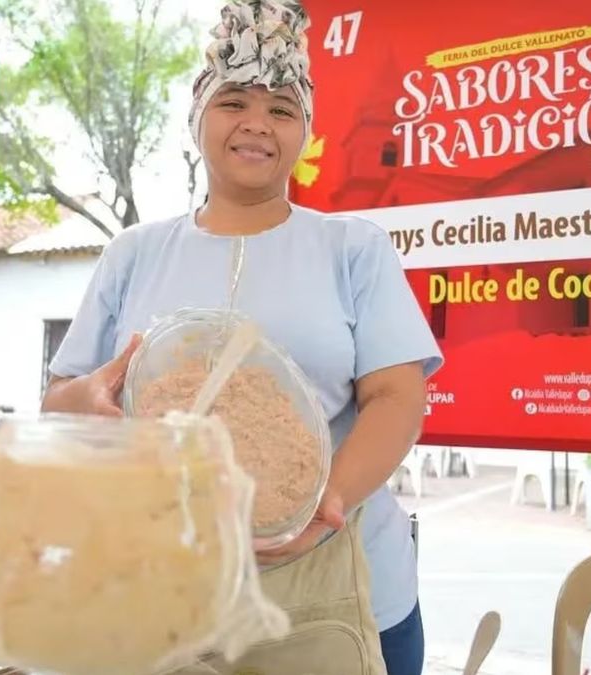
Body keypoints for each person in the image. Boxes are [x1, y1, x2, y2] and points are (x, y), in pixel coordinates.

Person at [41, 1, 443, 673]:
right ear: (199, 116)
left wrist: (325, 503)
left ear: (305, 133)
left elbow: (399, 396)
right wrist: (90, 401)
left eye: (283, 109)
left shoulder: (352, 248)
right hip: (167, 587)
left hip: (337, 586)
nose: (258, 123)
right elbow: (60, 402)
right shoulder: (134, 253)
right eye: (234, 101)